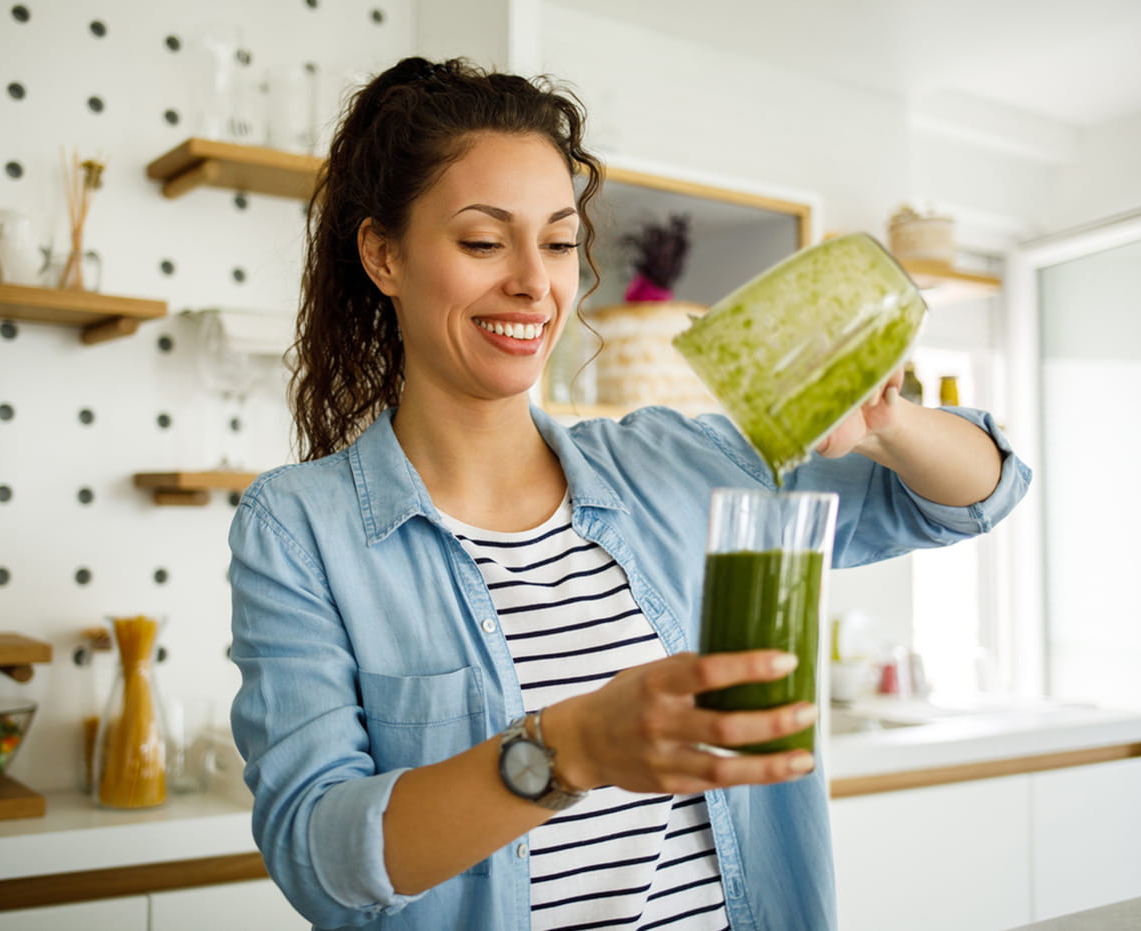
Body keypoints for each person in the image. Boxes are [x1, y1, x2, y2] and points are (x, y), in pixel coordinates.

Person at [228, 56, 1030, 931]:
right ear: (385, 255)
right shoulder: (303, 527)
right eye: (483, 240)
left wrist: (886, 421)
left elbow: (975, 493)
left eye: (561, 241)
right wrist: (570, 748)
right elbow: (321, 853)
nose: (536, 282)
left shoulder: (679, 465)